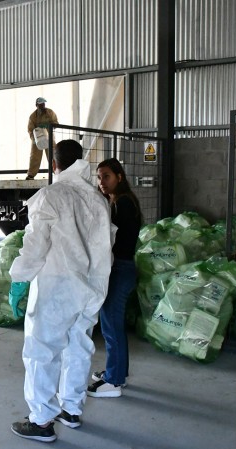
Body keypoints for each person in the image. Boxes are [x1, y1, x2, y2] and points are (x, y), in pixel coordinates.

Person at [8, 139, 115, 443]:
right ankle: (71, 409)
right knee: (79, 346)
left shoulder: (50, 196)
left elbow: (35, 246)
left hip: (58, 286)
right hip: (93, 286)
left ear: (53, 164)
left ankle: (41, 421)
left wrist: (19, 278)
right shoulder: (97, 199)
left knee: (43, 350)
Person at [87, 158, 143, 398]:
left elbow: (114, 240)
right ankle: (118, 373)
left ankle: (114, 381)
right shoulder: (119, 201)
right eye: (99, 177)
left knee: (111, 326)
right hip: (121, 268)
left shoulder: (123, 203)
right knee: (113, 324)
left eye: (107, 176)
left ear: (119, 176)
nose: (102, 182)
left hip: (121, 269)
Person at [26, 97, 59, 180]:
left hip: (49, 137)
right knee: (35, 157)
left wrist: (50, 126)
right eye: (40, 104)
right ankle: (31, 175)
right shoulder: (33, 116)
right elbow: (30, 129)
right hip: (37, 138)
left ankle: (57, 172)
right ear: (36, 105)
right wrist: (34, 138)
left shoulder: (50, 112)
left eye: (43, 104)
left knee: (53, 155)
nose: (42, 106)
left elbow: (56, 122)